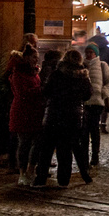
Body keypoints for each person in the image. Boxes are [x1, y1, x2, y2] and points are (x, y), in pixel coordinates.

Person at [37, 50, 93, 187]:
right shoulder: (82, 76)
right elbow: (87, 95)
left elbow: (46, 91)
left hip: (54, 114)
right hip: (73, 116)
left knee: (47, 148)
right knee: (65, 149)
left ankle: (40, 178)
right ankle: (63, 179)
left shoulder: (57, 74)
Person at [5, 43, 44, 186]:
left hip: (35, 111)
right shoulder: (17, 73)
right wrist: (40, 91)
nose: (36, 60)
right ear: (26, 57)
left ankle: (30, 169)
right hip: (22, 111)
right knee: (24, 143)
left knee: (37, 143)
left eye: (37, 57)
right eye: (34, 57)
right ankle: (22, 173)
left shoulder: (35, 73)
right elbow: (22, 93)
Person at [78, 42, 108, 172]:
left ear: (96, 53)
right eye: (87, 52)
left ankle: (95, 156)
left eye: (91, 52)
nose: (89, 54)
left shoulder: (102, 65)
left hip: (97, 102)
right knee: (83, 132)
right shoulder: (81, 65)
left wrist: (104, 91)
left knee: (94, 130)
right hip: (84, 102)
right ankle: (84, 159)